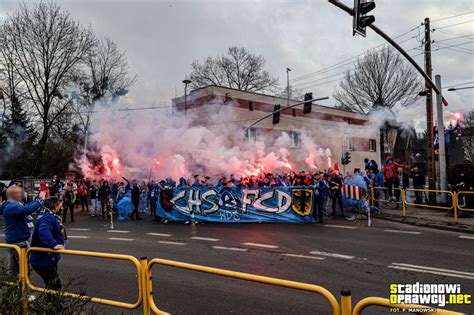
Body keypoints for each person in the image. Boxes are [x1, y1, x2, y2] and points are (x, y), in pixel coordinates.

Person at [0, 185, 44, 275]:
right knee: (24, 268)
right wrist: (40, 200)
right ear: (13, 195)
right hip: (18, 241)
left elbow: (26, 206)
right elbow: (28, 209)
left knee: (13, 268)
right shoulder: (12, 207)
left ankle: (13, 285)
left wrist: (37, 200)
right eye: (19, 193)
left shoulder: (12, 204)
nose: (21, 194)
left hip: (14, 239)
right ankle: (23, 287)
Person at [30, 196, 66, 291]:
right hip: (43, 259)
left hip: (45, 258)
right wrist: (53, 244)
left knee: (51, 284)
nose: (61, 207)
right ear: (54, 206)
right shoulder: (48, 218)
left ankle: (50, 303)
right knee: (55, 285)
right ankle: (52, 304)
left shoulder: (46, 215)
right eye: (59, 205)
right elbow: (43, 231)